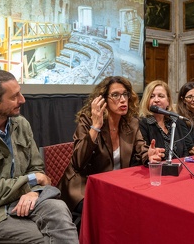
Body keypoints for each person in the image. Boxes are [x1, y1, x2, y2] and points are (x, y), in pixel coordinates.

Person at [0, 70, 78, 244]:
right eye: (14, 96)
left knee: (59, 209)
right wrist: (30, 181)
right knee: (40, 238)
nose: (22, 100)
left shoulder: (21, 124)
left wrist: (33, 193)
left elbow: (37, 168)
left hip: (24, 201)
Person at [58, 76, 164, 224]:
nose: (122, 99)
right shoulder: (88, 120)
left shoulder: (131, 123)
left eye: (125, 94)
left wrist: (149, 154)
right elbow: (78, 162)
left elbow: (141, 149)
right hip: (84, 186)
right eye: (115, 95)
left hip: (115, 186)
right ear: (103, 100)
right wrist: (95, 126)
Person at [139, 80, 194, 160]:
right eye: (152, 96)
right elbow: (143, 154)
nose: (156, 100)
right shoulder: (142, 123)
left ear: (168, 101)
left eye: (161, 96)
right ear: (146, 100)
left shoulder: (175, 121)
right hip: (156, 169)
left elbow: (184, 151)